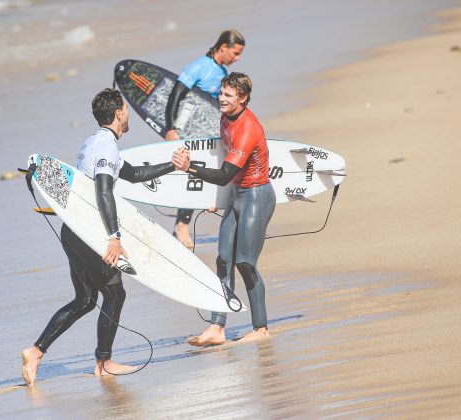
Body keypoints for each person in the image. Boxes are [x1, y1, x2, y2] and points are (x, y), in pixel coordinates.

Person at [21, 88, 189, 384]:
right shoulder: (106, 147)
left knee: (86, 299)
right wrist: (113, 236)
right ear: (119, 114)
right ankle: (104, 362)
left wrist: (172, 166)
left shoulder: (94, 142)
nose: (128, 114)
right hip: (91, 233)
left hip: (72, 230)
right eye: (125, 109)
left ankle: (35, 352)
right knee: (114, 294)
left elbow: (134, 175)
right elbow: (102, 190)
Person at [172, 72, 275, 346]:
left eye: (228, 95)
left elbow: (225, 173)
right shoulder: (225, 118)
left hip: (257, 196)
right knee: (223, 261)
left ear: (242, 98)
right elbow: (225, 166)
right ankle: (217, 328)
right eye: (221, 93)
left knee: (245, 262)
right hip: (236, 196)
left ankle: (261, 327)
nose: (221, 98)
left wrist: (189, 168)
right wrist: (216, 198)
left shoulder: (247, 128)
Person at [164, 29, 245, 248]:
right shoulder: (200, 66)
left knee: (212, 173)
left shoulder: (220, 70)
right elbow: (176, 93)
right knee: (193, 175)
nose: (237, 58)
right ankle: (182, 225)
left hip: (208, 132)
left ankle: (188, 222)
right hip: (189, 133)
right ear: (223, 48)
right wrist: (170, 128)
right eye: (235, 53)